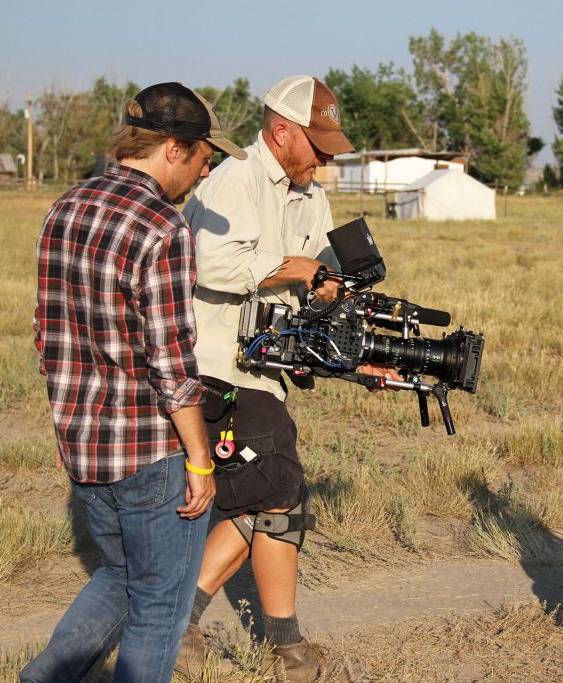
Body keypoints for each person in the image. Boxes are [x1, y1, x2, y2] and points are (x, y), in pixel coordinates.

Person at [24, 83, 247, 683]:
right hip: (150, 456)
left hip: (84, 448)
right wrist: (200, 457)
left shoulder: (65, 207)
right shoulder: (162, 226)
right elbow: (172, 363)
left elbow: (48, 336)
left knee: (120, 576)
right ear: (173, 148)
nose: (205, 170)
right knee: (159, 609)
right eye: (204, 156)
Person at [178, 75, 392, 682]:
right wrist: (288, 268)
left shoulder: (311, 198)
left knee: (268, 492)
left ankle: (223, 626)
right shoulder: (233, 180)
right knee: (278, 489)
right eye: (318, 147)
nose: (326, 159)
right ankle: (275, 645)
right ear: (281, 131)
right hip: (217, 364)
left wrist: (346, 339)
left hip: (266, 368)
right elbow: (206, 260)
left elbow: (313, 289)